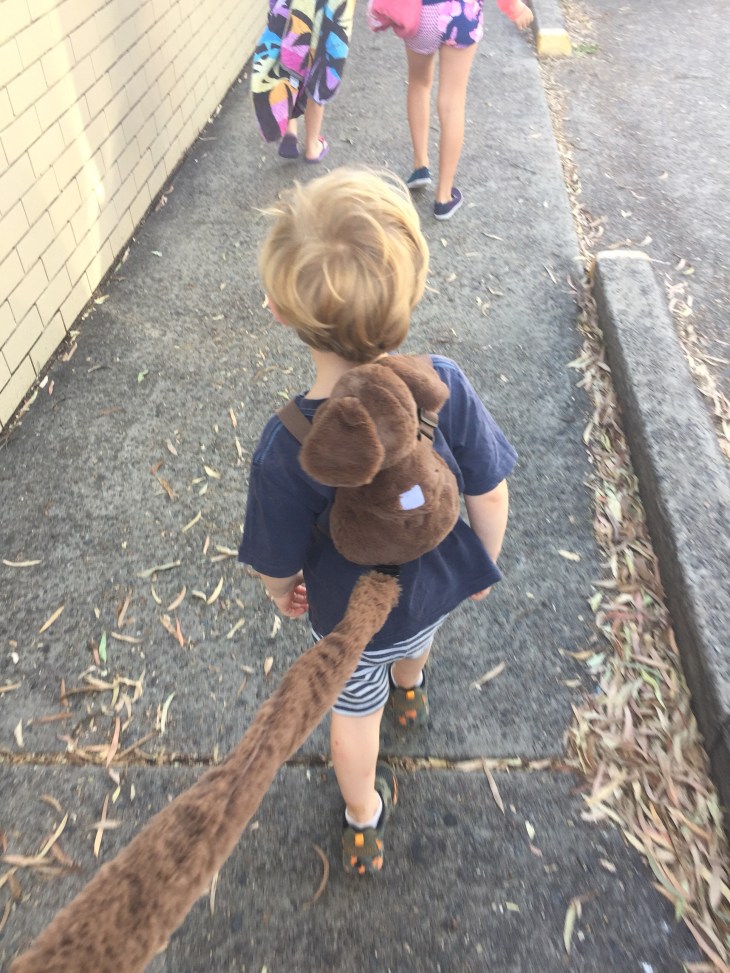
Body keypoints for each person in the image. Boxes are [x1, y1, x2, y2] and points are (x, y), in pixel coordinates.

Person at [238, 167, 516, 875]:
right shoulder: (440, 384)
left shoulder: (286, 447)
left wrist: (283, 592)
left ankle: (363, 815)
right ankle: (412, 687)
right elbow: (489, 492)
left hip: (350, 620)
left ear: (279, 310)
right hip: (435, 587)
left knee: (353, 714)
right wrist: (484, 563)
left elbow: (276, 561)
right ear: (410, 294)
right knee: (416, 642)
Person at [401, 0, 534, 219]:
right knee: (452, 103)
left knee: (418, 83)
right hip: (461, 13)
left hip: (421, 13)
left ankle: (420, 165)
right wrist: (514, 7)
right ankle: (443, 196)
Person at [251, 0, 357, 163]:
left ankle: (290, 133)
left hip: (290, 12)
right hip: (325, 14)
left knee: (290, 63)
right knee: (318, 74)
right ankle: (312, 147)